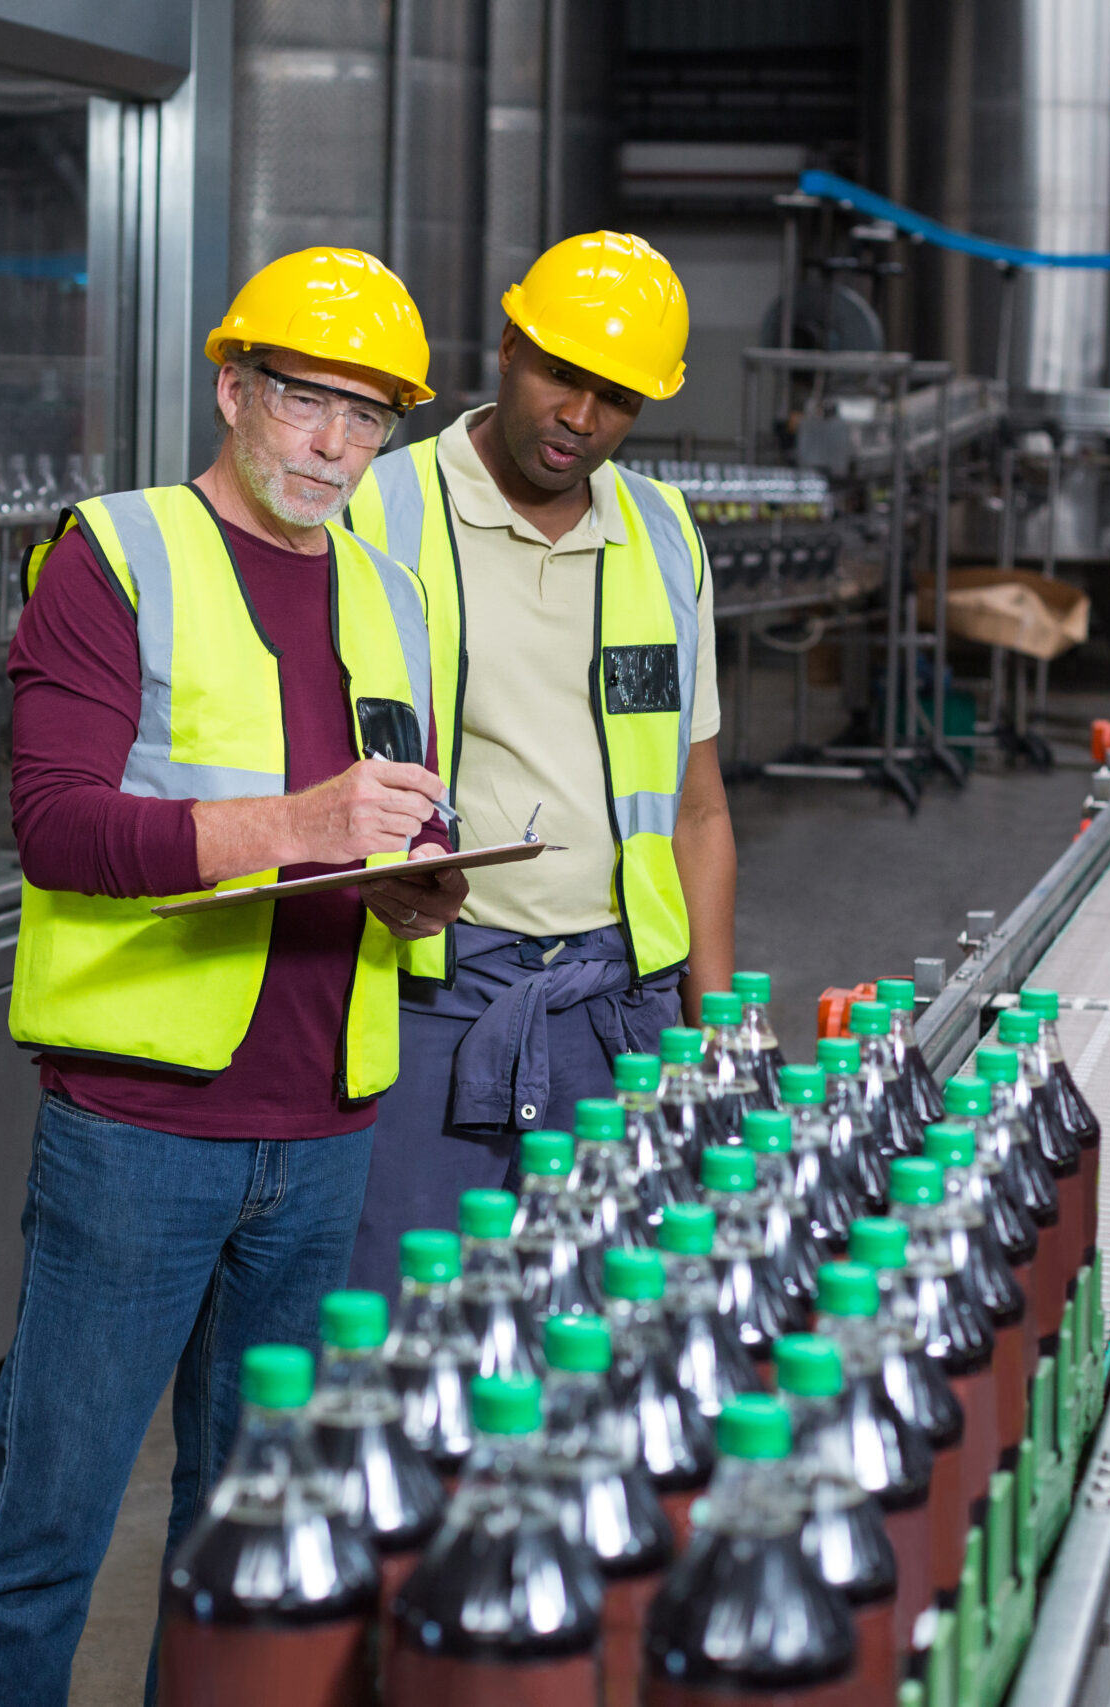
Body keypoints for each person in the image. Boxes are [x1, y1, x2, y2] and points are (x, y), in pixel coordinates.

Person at [0, 247, 468, 1706]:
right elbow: (57, 824)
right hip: (142, 1129)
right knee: (50, 1525)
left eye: (370, 418)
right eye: (305, 401)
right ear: (232, 387)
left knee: (249, 1536)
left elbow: (395, 819)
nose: (336, 445)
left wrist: (422, 889)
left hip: (328, 1125)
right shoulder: (117, 553)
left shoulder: (394, 591)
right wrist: (302, 825)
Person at [341, 230, 736, 1295]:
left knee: (607, 1341)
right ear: (510, 346)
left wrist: (715, 1030)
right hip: (433, 997)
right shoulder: (378, 508)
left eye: (616, 397)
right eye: (563, 375)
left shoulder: (661, 533)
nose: (582, 418)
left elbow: (696, 810)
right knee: (413, 1328)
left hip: (621, 1009)